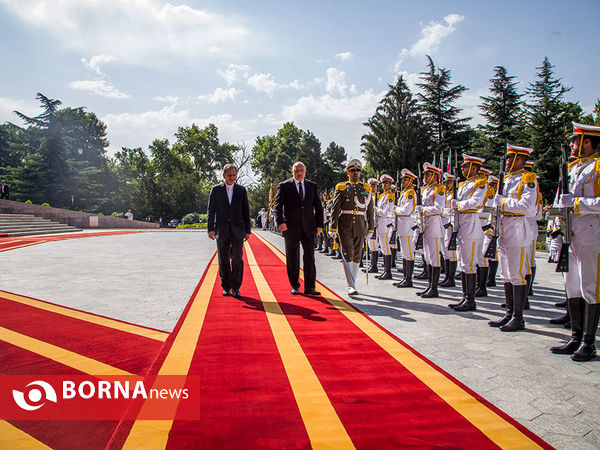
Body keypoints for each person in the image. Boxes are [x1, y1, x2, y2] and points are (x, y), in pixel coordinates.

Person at [550, 122, 600, 361]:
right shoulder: (574, 168)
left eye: (575, 141)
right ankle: (575, 335)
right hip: (571, 236)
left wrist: (576, 203)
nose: (571, 145)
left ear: (587, 142)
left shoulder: (598, 167)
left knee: (590, 289)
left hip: (591, 236)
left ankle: (589, 343)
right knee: (572, 286)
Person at [488, 144, 538, 332]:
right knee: (506, 274)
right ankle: (509, 313)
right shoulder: (507, 179)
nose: (507, 161)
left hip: (518, 229)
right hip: (504, 229)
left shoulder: (528, 179)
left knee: (517, 275)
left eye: (509, 158)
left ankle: (519, 317)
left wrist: (503, 202)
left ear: (519, 159)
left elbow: (526, 206)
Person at [274, 161, 324, 296]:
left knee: (310, 257)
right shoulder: (284, 186)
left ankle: (310, 287)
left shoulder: (312, 186)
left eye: (301, 170)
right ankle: (295, 285)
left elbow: (318, 207)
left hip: (309, 227)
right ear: (292, 171)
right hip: (290, 228)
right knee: (292, 258)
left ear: (305, 172)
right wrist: (280, 222)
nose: (299, 173)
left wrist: (320, 225)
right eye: (297, 170)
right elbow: (277, 206)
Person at [329, 159, 374, 296]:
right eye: (352, 171)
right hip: (345, 224)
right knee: (348, 252)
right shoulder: (341, 187)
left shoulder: (366, 188)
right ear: (348, 172)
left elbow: (370, 210)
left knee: (357, 254)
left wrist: (371, 228)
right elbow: (335, 208)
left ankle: (353, 281)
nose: (355, 173)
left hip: (361, 224)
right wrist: (332, 227)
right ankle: (351, 285)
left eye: (358, 171)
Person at [448, 155, 487, 312]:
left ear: (474, 168)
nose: (462, 169)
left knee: (469, 264)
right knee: (464, 264)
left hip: (471, 225)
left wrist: (459, 205)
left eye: (465, 166)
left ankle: (471, 300)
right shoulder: (463, 184)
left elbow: (476, 202)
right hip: (462, 225)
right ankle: (465, 297)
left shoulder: (480, 183)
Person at [207, 164, 251, 299]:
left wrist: (247, 230)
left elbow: (246, 211)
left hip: (238, 230)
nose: (232, 178)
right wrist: (210, 229)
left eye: (234, 175)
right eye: (229, 175)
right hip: (222, 229)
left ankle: (236, 287)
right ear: (223, 176)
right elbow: (211, 210)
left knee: (237, 258)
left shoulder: (241, 190)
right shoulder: (216, 190)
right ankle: (226, 286)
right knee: (224, 259)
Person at [416, 162, 445, 298]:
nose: (425, 177)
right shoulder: (425, 189)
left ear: (434, 176)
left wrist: (424, 210)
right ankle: (429, 286)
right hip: (425, 225)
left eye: (428, 174)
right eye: (425, 174)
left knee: (434, 257)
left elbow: (439, 208)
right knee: (427, 257)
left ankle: (434, 288)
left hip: (434, 224)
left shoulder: (439, 189)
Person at [394, 169, 417, 288]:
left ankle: (408, 279)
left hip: (408, 227)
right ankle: (405, 278)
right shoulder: (404, 193)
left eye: (406, 179)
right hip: (402, 227)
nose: (403, 181)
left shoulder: (411, 193)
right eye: (403, 179)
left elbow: (405, 210)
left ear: (411, 181)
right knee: (404, 253)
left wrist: (395, 210)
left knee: (408, 253)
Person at [374, 174, 396, 280]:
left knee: (386, 248)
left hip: (386, 224)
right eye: (383, 183)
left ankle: (388, 272)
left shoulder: (390, 196)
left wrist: (376, 210)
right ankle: (385, 271)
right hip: (380, 225)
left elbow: (387, 212)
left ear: (390, 184)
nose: (384, 185)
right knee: (383, 248)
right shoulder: (382, 196)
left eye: (387, 183)